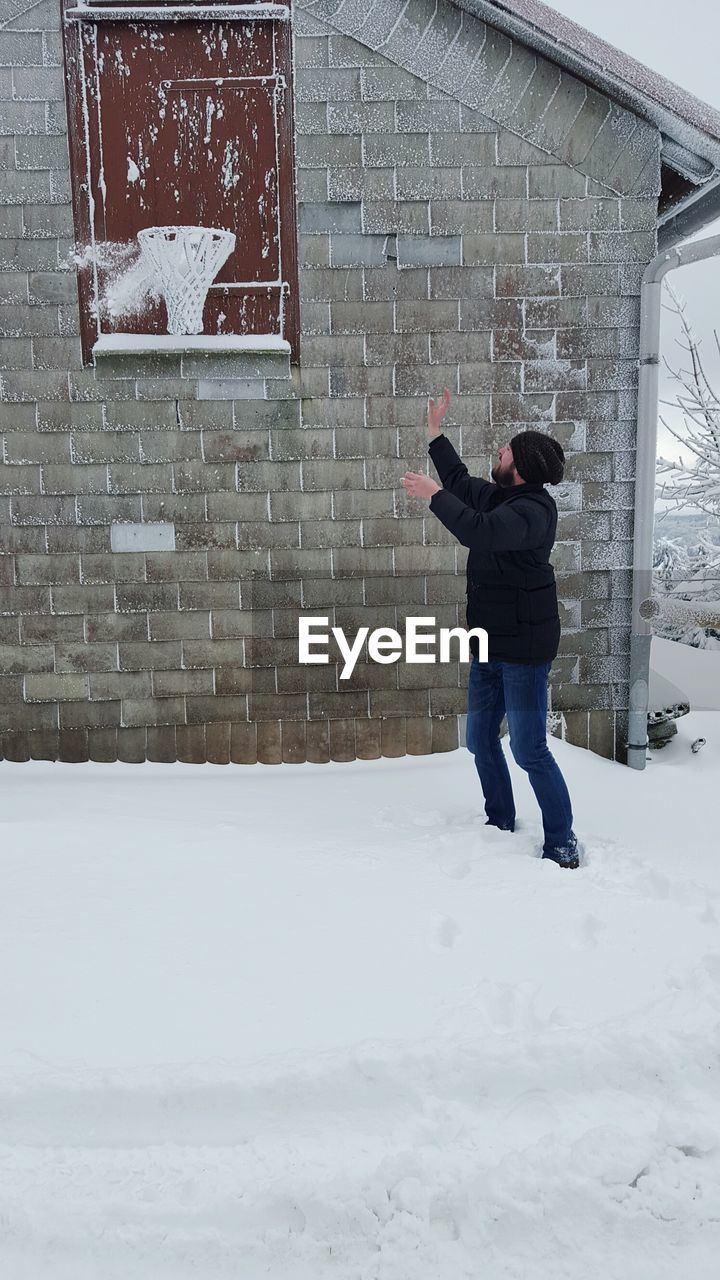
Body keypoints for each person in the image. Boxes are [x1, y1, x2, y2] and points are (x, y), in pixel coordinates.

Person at [400, 388, 580, 869]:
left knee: (528, 749)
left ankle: (561, 840)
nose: (497, 453)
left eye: (504, 451)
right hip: (488, 643)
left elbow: (480, 532)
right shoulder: (506, 496)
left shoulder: (532, 513)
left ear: (518, 465)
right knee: (480, 738)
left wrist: (434, 496)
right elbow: (461, 483)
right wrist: (435, 434)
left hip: (524, 651)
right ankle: (500, 821)